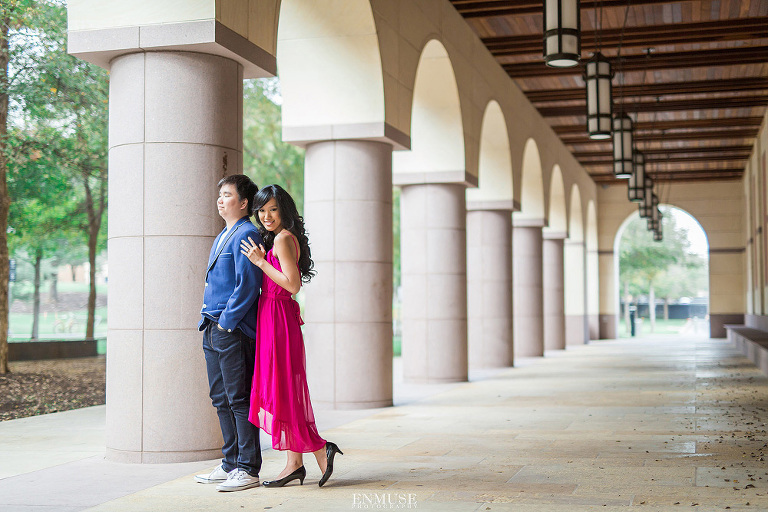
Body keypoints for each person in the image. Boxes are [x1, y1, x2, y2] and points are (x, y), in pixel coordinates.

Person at [240, 184, 343, 488]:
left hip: (279, 317)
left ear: (284, 210)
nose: (266, 215)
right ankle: (294, 462)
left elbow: (293, 285)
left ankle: (317, 449)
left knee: (283, 388)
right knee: (284, 390)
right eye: (261, 210)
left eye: (272, 209)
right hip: (274, 317)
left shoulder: (283, 239)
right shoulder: (278, 239)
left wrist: (260, 263)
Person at [194, 175, 263, 492]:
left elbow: (248, 285)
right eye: (219, 194)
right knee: (220, 398)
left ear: (244, 202)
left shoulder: (247, 233)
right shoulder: (224, 234)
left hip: (230, 328)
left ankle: (248, 467)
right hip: (212, 325)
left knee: (239, 399)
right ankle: (230, 463)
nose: (221, 200)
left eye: (227, 194)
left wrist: (227, 322)